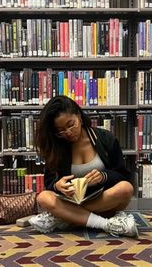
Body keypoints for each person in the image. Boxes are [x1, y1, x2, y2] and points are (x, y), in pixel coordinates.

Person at [29, 95, 138, 237]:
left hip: (103, 200)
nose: (67, 132)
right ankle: (106, 224)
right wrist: (58, 186)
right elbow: (49, 183)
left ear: (79, 117)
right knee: (43, 197)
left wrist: (103, 176)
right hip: (72, 199)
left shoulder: (105, 138)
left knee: (126, 188)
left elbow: (123, 175)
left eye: (71, 124)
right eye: (61, 130)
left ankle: (64, 217)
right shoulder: (57, 147)